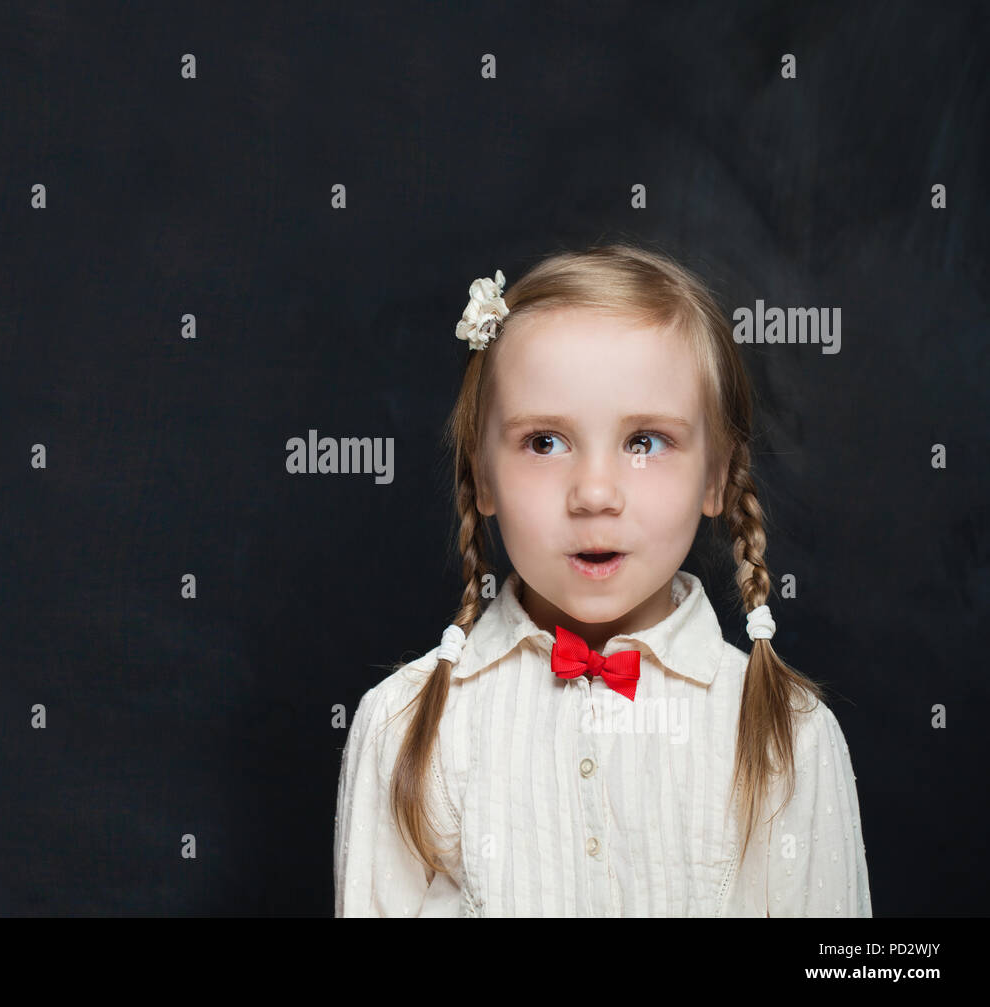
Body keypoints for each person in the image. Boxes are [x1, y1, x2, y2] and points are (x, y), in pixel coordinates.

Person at [333, 243, 872, 917]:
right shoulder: (404, 727)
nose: (593, 493)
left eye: (644, 441)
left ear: (715, 477)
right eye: (544, 442)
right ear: (482, 476)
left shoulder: (786, 736)